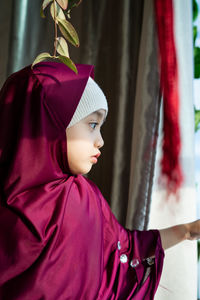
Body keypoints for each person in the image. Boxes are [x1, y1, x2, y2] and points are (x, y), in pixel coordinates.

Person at [0, 62, 199, 300]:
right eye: (92, 125)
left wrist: (187, 230)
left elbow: (125, 250)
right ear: (49, 123)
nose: (100, 141)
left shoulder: (85, 200)